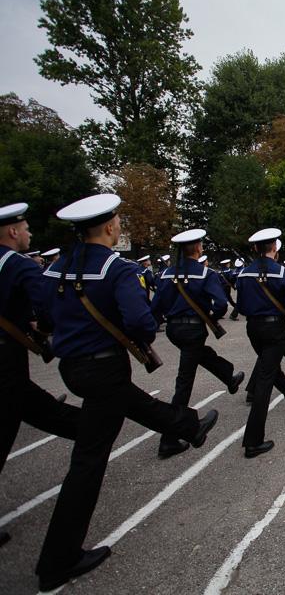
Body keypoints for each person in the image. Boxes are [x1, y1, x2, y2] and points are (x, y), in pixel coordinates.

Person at [36, 194, 219, 590]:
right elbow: (139, 321)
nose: (119, 224)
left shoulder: (56, 268)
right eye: (118, 219)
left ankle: (187, 426)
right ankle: (57, 560)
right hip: (103, 364)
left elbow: (45, 315)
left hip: (72, 367)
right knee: (88, 459)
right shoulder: (117, 269)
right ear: (109, 226)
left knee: (129, 403)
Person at [0, 203, 81, 549]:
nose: (29, 233)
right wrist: (45, 330)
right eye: (26, 228)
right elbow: (47, 306)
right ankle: (87, 429)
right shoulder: (17, 265)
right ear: (13, 231)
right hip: (5, 356)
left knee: (27, 403)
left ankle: (83, 427)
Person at [150, 229, 245, 459]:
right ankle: (169, 439)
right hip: (193, 329)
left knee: (201, 353)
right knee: (184, 381)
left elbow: (156, 308)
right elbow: (221, 304)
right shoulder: (205, 273)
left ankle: (229, 376)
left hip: (174, 329)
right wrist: (210, 316)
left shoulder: (166, 274)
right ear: (199, 248)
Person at [235, 228, 285, 458]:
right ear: (274, 248)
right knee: (265, 379)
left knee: (267, 367)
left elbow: (240, 307)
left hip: (253, 328)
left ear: (255, 248)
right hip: (275, 329)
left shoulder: (243, 274)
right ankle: (253, 441)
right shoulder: (284, 273)